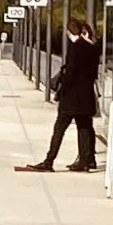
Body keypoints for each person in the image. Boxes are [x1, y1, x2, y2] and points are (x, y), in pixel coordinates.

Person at [17, 24, 104, 173]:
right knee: (84, 128)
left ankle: (49, 161)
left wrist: (61, 91)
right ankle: (87, 160)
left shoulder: (76, 48)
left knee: (59, 129)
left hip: (71, 98)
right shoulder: (93, 49)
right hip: (86, 96)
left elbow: (71, 73)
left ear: (69, 33)